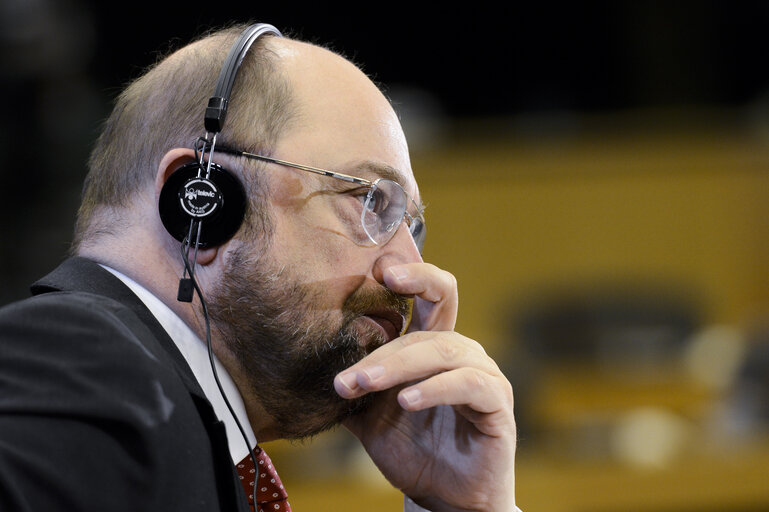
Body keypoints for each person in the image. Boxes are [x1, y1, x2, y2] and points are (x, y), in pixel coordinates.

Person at [0, 21, 518, 512]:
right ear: (200, 202)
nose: (410, 265)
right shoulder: (80, 361)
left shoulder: (170, 413)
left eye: (411, 225)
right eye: (368, 201)